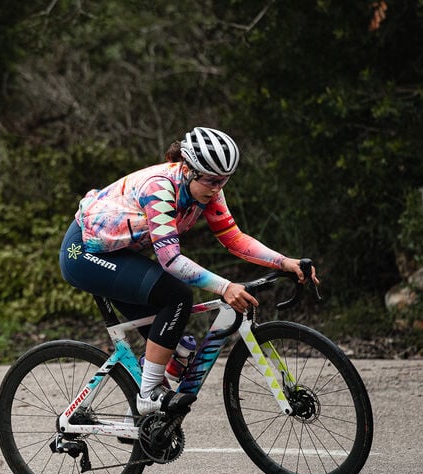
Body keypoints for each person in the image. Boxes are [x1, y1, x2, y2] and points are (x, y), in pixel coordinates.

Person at [59, 126, 318, 416]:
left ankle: (144, 427)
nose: (217, 189)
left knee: (178, 346)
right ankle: (148, 396)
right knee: (177, 295)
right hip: (83, 253)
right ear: (188, 170)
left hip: (120, 253)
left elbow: (233, 238)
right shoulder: (160, 188)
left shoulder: (206, 189)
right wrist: (225, 287)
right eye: (211, 181)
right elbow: (170, 259)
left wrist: (283, 262)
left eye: (224, 181)